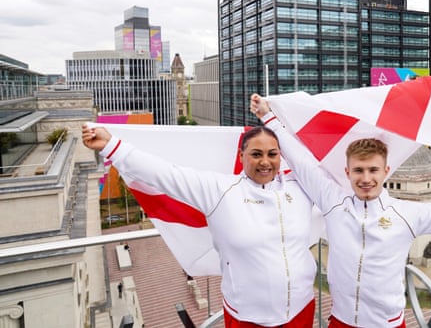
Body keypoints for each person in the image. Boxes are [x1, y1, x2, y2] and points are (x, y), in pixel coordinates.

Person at [251, 94, 431, 328]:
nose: (365, 178)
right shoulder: (332, 199)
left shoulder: (407, 213)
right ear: (347, 171)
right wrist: (269, 117)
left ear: (386, 171)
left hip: (387, 324)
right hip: (341, 322)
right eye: (358, 170)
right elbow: (301, 160)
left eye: (372, 170)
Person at [82, 124, 317, 327]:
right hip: (248, 317)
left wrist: (271, 118)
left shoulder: (300, 187)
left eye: (272, 154)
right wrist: (112, 145)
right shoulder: (219, 189)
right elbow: (166, 174)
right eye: (256, 154)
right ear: (241, 155)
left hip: (301, 308)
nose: (265, 162)